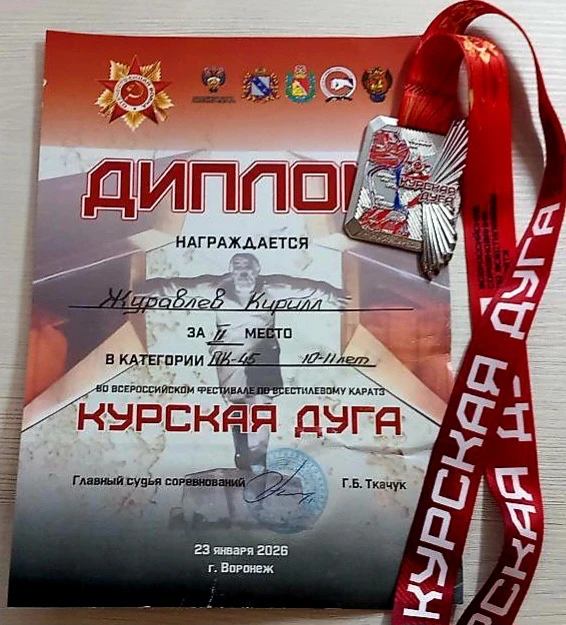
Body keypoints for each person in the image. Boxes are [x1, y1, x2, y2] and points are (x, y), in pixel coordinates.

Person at [141, 252, 348, 471]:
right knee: (237, 405)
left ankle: (259, 459)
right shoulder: (216, 287)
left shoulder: (271, 287)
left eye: (247, 266)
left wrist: (331, 293)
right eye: (238, 266)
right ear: (231, 270)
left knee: (260, 403)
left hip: (262, 352)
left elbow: (304, 288)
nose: (243, 271)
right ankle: (243, 458)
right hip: (229, 355)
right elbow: (180, 287)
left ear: (257, 270)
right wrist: (148, 290)